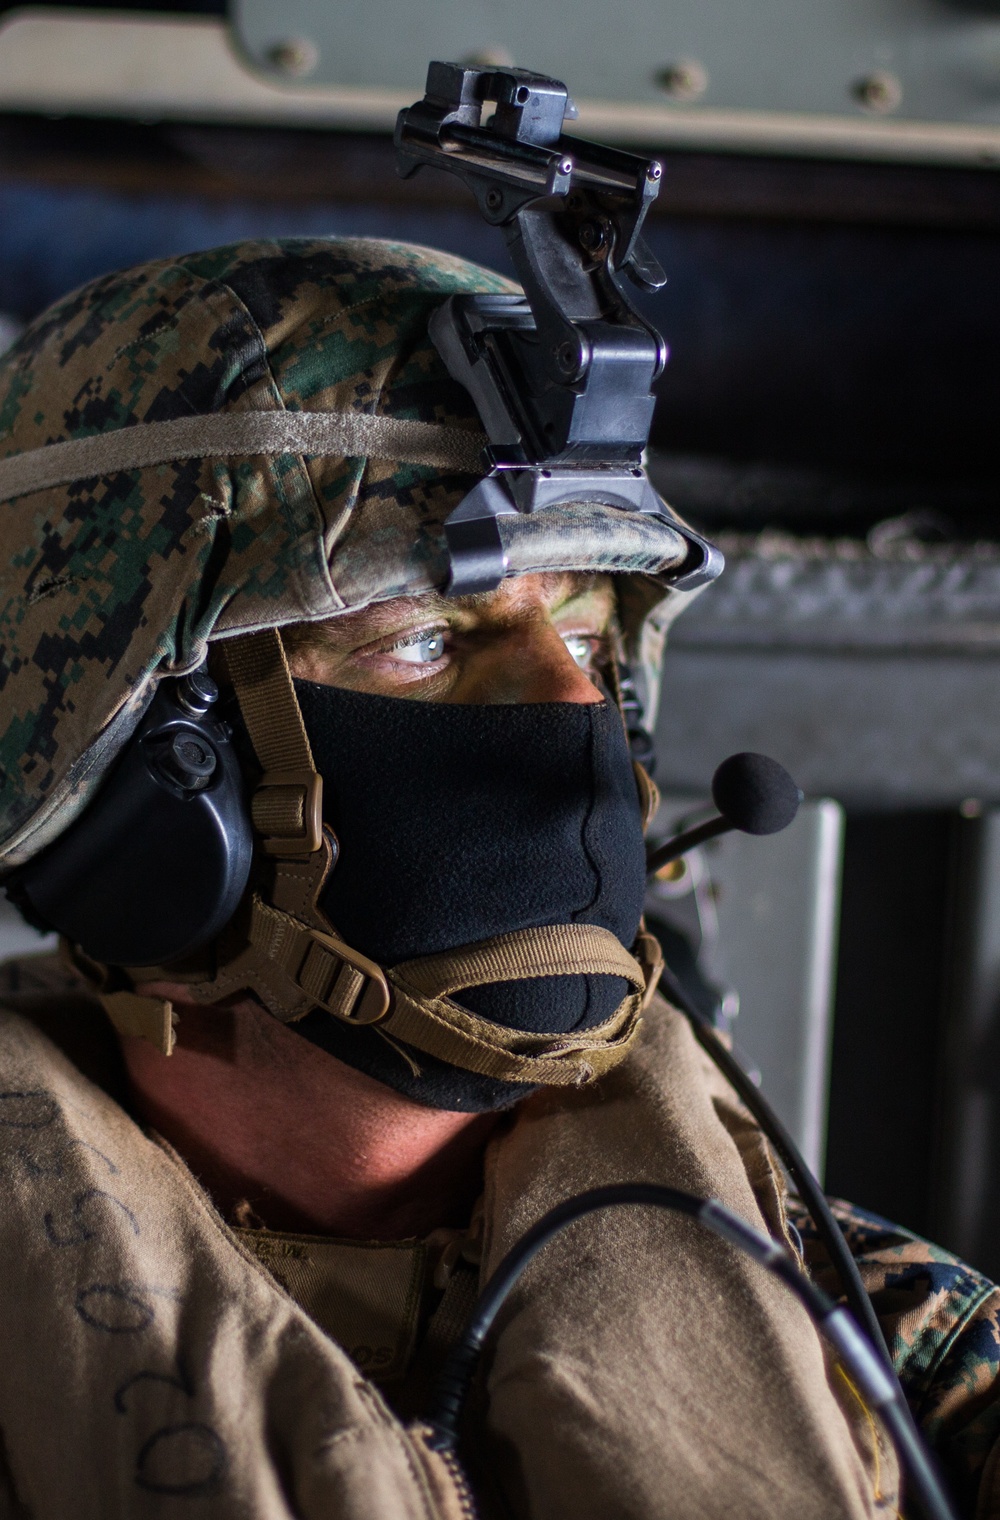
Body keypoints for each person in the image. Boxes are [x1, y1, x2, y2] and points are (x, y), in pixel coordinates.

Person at [0, 236, 996, 1520]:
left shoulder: (884, 1351)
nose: (572, 705)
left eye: (586, 632)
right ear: (140, 771)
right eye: (423, 637)